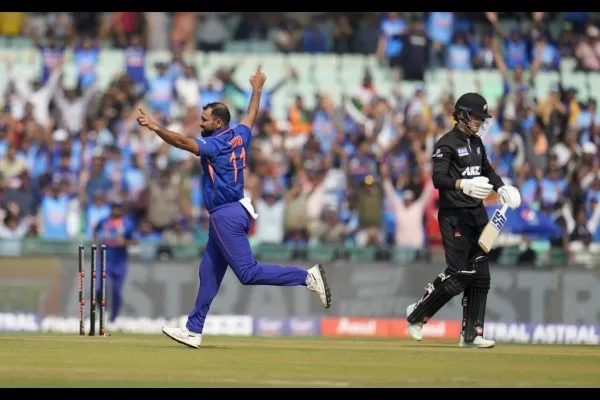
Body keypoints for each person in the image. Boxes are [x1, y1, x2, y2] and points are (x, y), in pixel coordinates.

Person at [135, 65, 331, 349]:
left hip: (225, 213)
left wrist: (155, 127)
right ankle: (193, 330)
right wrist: (257, 89)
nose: (200, 124)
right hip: (234, 209)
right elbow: (250, 115)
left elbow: (182, 142)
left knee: (248, 273)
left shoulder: (215, 145)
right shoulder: (240, 135)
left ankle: (307, 277)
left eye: (204, 120)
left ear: (217, 123)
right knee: (208, 273)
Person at [405, 93, 521, 348]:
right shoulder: (446, 144)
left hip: (476, 214)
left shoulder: (477, 143)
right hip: (454, 214)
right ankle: (416, 315)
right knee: (459, 274)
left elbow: (487, 170)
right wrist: (462, 184)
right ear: (463, 115)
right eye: (477, 117)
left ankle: (471, 335)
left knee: (481, 275)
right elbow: (438, 179)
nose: (481, 122)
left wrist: (501, 188)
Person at [93, 200, 137, 329]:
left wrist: (125, 242)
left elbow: (135, 241)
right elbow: (95, 232)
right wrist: (96, 246)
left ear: (122, 210)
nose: (115, 210)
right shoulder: (104, 221)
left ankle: (113, 318)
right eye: (113, 207)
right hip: (104, 259)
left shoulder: (128, 224)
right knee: (100, 287)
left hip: (120, 260)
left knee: (117, 291)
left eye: (118, 208)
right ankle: (102, 312)